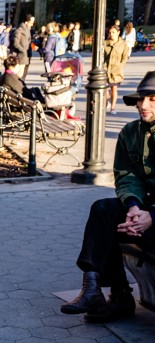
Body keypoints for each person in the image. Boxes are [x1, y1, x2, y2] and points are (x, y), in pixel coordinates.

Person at [60, 71, 155, 322]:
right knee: (103, 210)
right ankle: (97, 290)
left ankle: (118, 296)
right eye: (141, 99)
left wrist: (152, 217)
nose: (143, 105)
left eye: (152, 99)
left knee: (118, 224)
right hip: (143, 207)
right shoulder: (130, 132)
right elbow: (126, 176)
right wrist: (134, 207)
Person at [104, 25, 131, 115]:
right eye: (110, 32)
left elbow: (124, 57)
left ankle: (112, 107)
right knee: (105, 90)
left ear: (118, 33)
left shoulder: (123, 44)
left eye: (113, 32)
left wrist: (120, 66)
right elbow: (101, 56)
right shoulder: (105, 43)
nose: (111, 34)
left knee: (114, 89)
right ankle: (107, 101)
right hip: (105, 69)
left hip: (116, 70)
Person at [11, 15, 35, 79]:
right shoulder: (19, 30)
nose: (32, 24)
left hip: (27, 54)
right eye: (31, 23)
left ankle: (21, 86)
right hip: (21, 55)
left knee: (24, 74)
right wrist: (23, 50)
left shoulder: (28, 30)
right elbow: (16, 43)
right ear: (26, 22)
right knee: (19, 74)